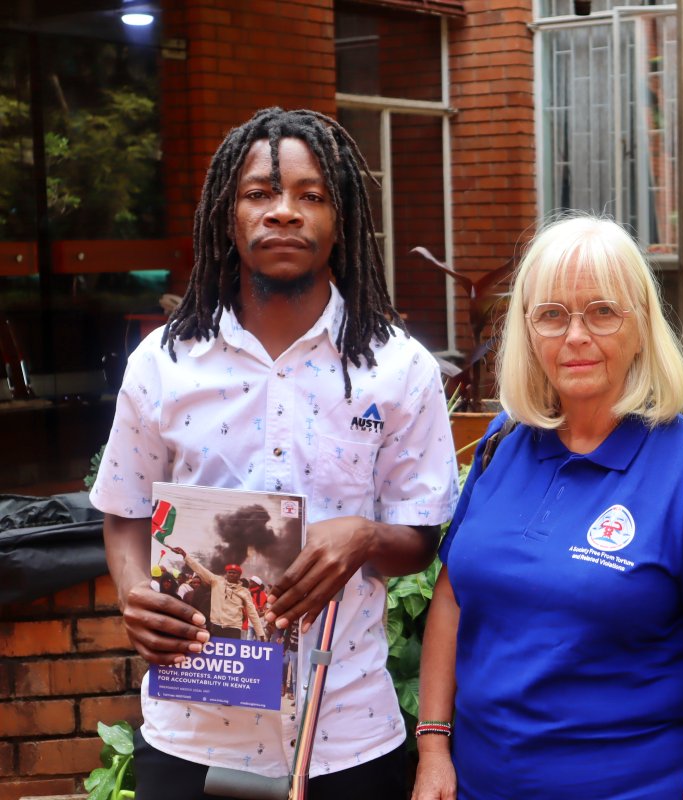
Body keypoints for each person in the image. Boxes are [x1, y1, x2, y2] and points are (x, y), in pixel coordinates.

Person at [90, 107, 459, 800]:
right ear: (229, 217)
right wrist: (134, 592)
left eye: (310, 195)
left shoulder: (398, 369)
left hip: (348, 736)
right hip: (191, 734)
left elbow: (420, 539)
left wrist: (366, 536)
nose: (284, 212)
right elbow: (125, 509)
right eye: (260, 193)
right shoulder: (163, 364)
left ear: (341, 217)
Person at [413, 216, 683, 800]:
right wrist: (433, 748)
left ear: (641, 327)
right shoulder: (502, 443)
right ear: (528, 332)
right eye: (552, 314)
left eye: (602, 311)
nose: (575, 335)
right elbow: (452, 600)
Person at [166, 547, 264, 641]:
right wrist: (185, 555)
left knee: (231, 657)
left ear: (239, 576)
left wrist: (260, 633)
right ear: (226, 573)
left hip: (234, 630)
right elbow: (200, 569)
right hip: (216, 627)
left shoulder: (244, 592)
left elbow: (252, 613)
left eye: (234, 573)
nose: (231, 574)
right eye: (229, 572)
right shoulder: (216, 581)